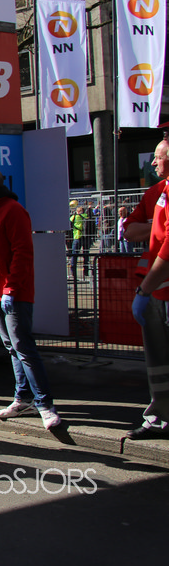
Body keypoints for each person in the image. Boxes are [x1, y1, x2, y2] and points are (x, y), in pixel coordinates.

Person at [0, 169, 63, 430]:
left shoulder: (12, 211)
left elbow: (22, 252)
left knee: (23, 347)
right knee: (13, 348)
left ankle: (44, 404)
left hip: (12, 293)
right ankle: (23, 398)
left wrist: (10, 289)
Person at [125, 138, 169, 439]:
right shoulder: (158, 192)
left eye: (157, 157)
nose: (152, 163)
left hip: (155, 289)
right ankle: (159, 416)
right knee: (158, 361)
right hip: (156, 292)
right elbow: (128, 229)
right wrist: (156, 227)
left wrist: (144, 290)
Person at [70, 204, 91, 279]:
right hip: (86, 237)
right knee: (86, 255)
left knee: (74, 255)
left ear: (77, 211)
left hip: (77, 237)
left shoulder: (74, 217)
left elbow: (69, 222)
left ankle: (73, 272)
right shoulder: (86, 216)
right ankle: (86, 272)